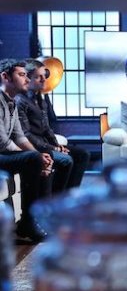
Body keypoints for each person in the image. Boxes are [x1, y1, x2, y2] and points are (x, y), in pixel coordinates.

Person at [16, 59, 90, 193]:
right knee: (66, 160)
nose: (44, 80)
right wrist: (53, 148)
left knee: (82, 154)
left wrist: (58, 146)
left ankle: (69, 195)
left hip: (46, 145)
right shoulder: (20, 101)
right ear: (27, 79)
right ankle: (56, 198)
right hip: (34, 147)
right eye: (38, 77)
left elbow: (47, 128)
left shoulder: (40, 99)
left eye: (44, 76)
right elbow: (26, 134)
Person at [0, 59, 54, 243]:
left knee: (42, 157)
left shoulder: (11, 102)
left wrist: (40, 156)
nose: (27, 79)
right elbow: (3, 142)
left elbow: (20, 136)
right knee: (33, 159)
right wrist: (34, 157)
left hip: (5, 153)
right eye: (22, 75)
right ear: (5, 77)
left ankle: (41, 217)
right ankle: (26, 224)